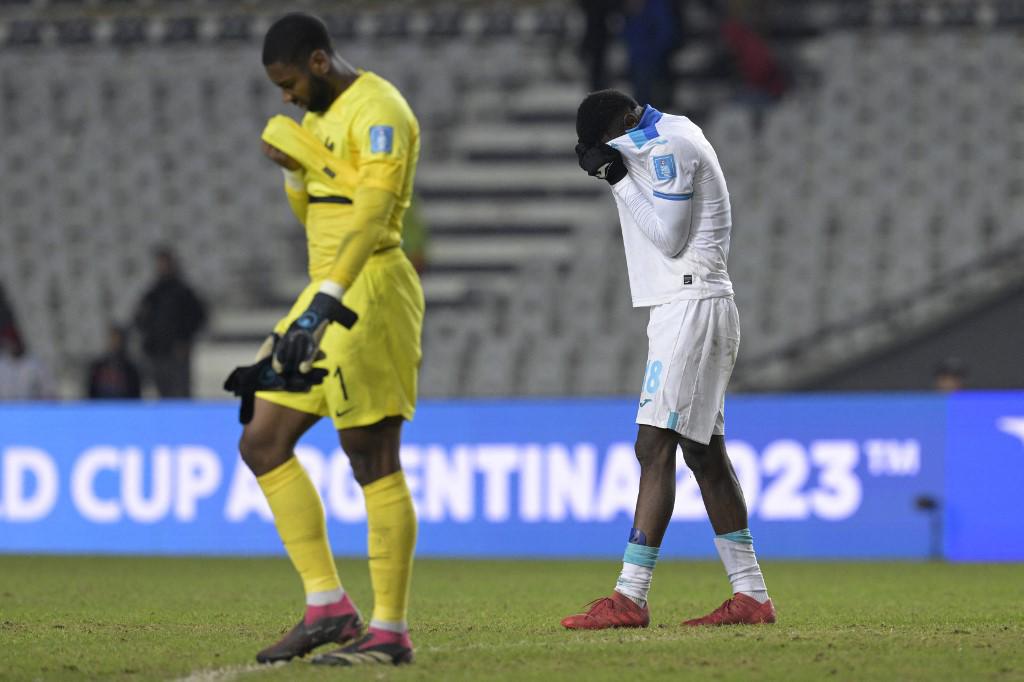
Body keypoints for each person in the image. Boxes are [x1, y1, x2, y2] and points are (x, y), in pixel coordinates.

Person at [236, 12, 424, 667]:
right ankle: (328, 607)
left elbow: (372, 213)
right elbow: (315, 212)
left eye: (288, 82)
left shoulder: (382, 111)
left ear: (318, 62)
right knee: (261, 439)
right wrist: (294, 170)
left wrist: (327, 300)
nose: (283, 97)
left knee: (369, 453)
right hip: (323, 290)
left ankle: (391, 632)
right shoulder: (315, 121)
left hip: (368, 288)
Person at [563, 90, 775, 629]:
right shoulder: (667, 131)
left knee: (652, 444)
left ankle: (630, 596)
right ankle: (750, 595)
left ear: (627, 123)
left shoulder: (669, 149)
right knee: (703, 454)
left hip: (691, 303)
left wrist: (615, 179)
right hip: (690, 303)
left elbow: (670, 237)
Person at [134, 247, 207, 398]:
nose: (162, 267)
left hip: (176, 356)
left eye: (165, 263)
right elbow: (139, 319)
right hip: (157, 354)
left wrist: (185, 340)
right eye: (160, 263)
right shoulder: (153, 293)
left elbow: (199, 317)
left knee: (180, 396)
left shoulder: (183, 292)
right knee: (161, 396)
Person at [85, 325, 142, 399]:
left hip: (124, 407)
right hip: (101, 407)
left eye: (117, 340)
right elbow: (91, 392)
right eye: (112, 339)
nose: (114, 343)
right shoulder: (97, 367)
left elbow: (135, 395)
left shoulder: (130, 369)